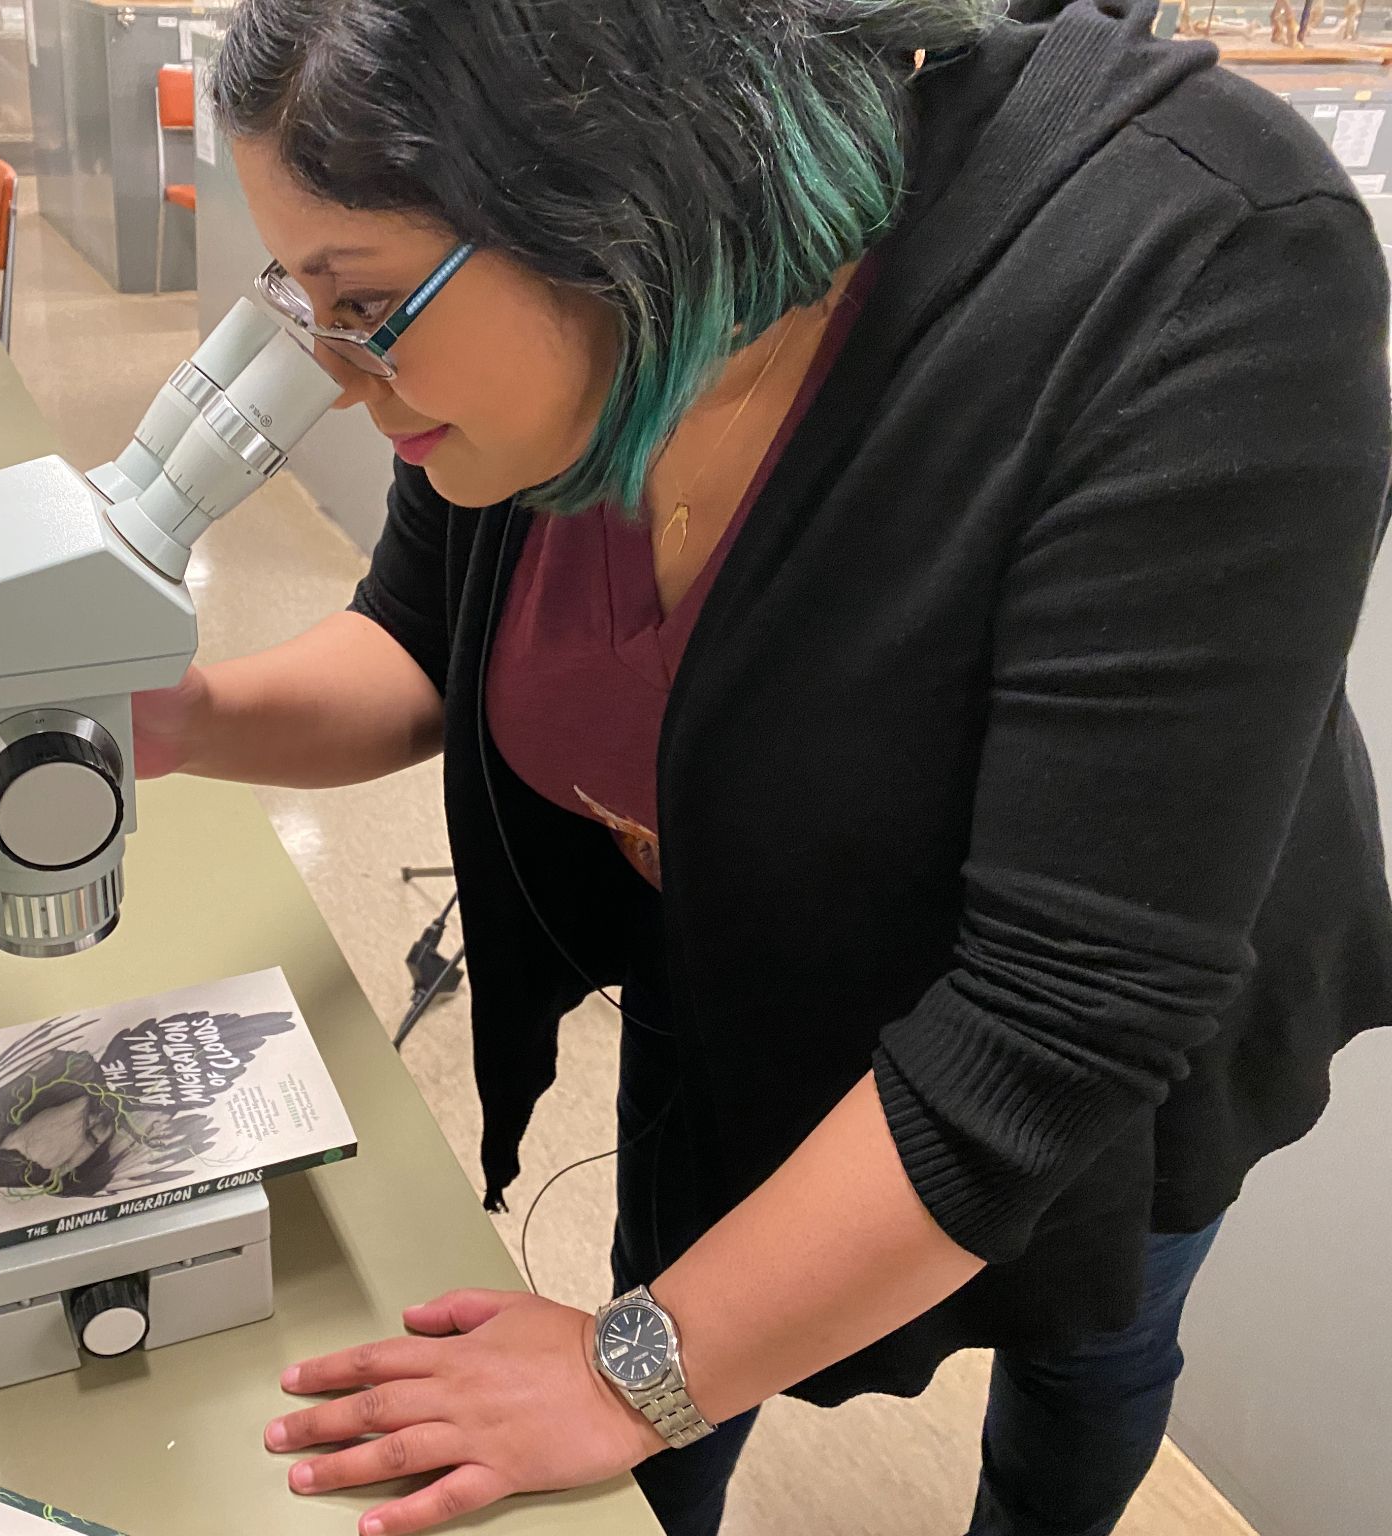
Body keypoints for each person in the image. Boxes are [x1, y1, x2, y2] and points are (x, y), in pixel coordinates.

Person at [132, 0, 1392, 1532]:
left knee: (1086, 1331)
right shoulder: (533, 360)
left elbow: (1050, 1034)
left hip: (1102, 1009)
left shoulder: (1200, 258)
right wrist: (181, 720)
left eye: (369, 307)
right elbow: (417, 645)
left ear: (618, 194)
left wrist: (614, 1381)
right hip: (742, 938)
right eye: (303, 303)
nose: (336, 374)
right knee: (676, 1303)